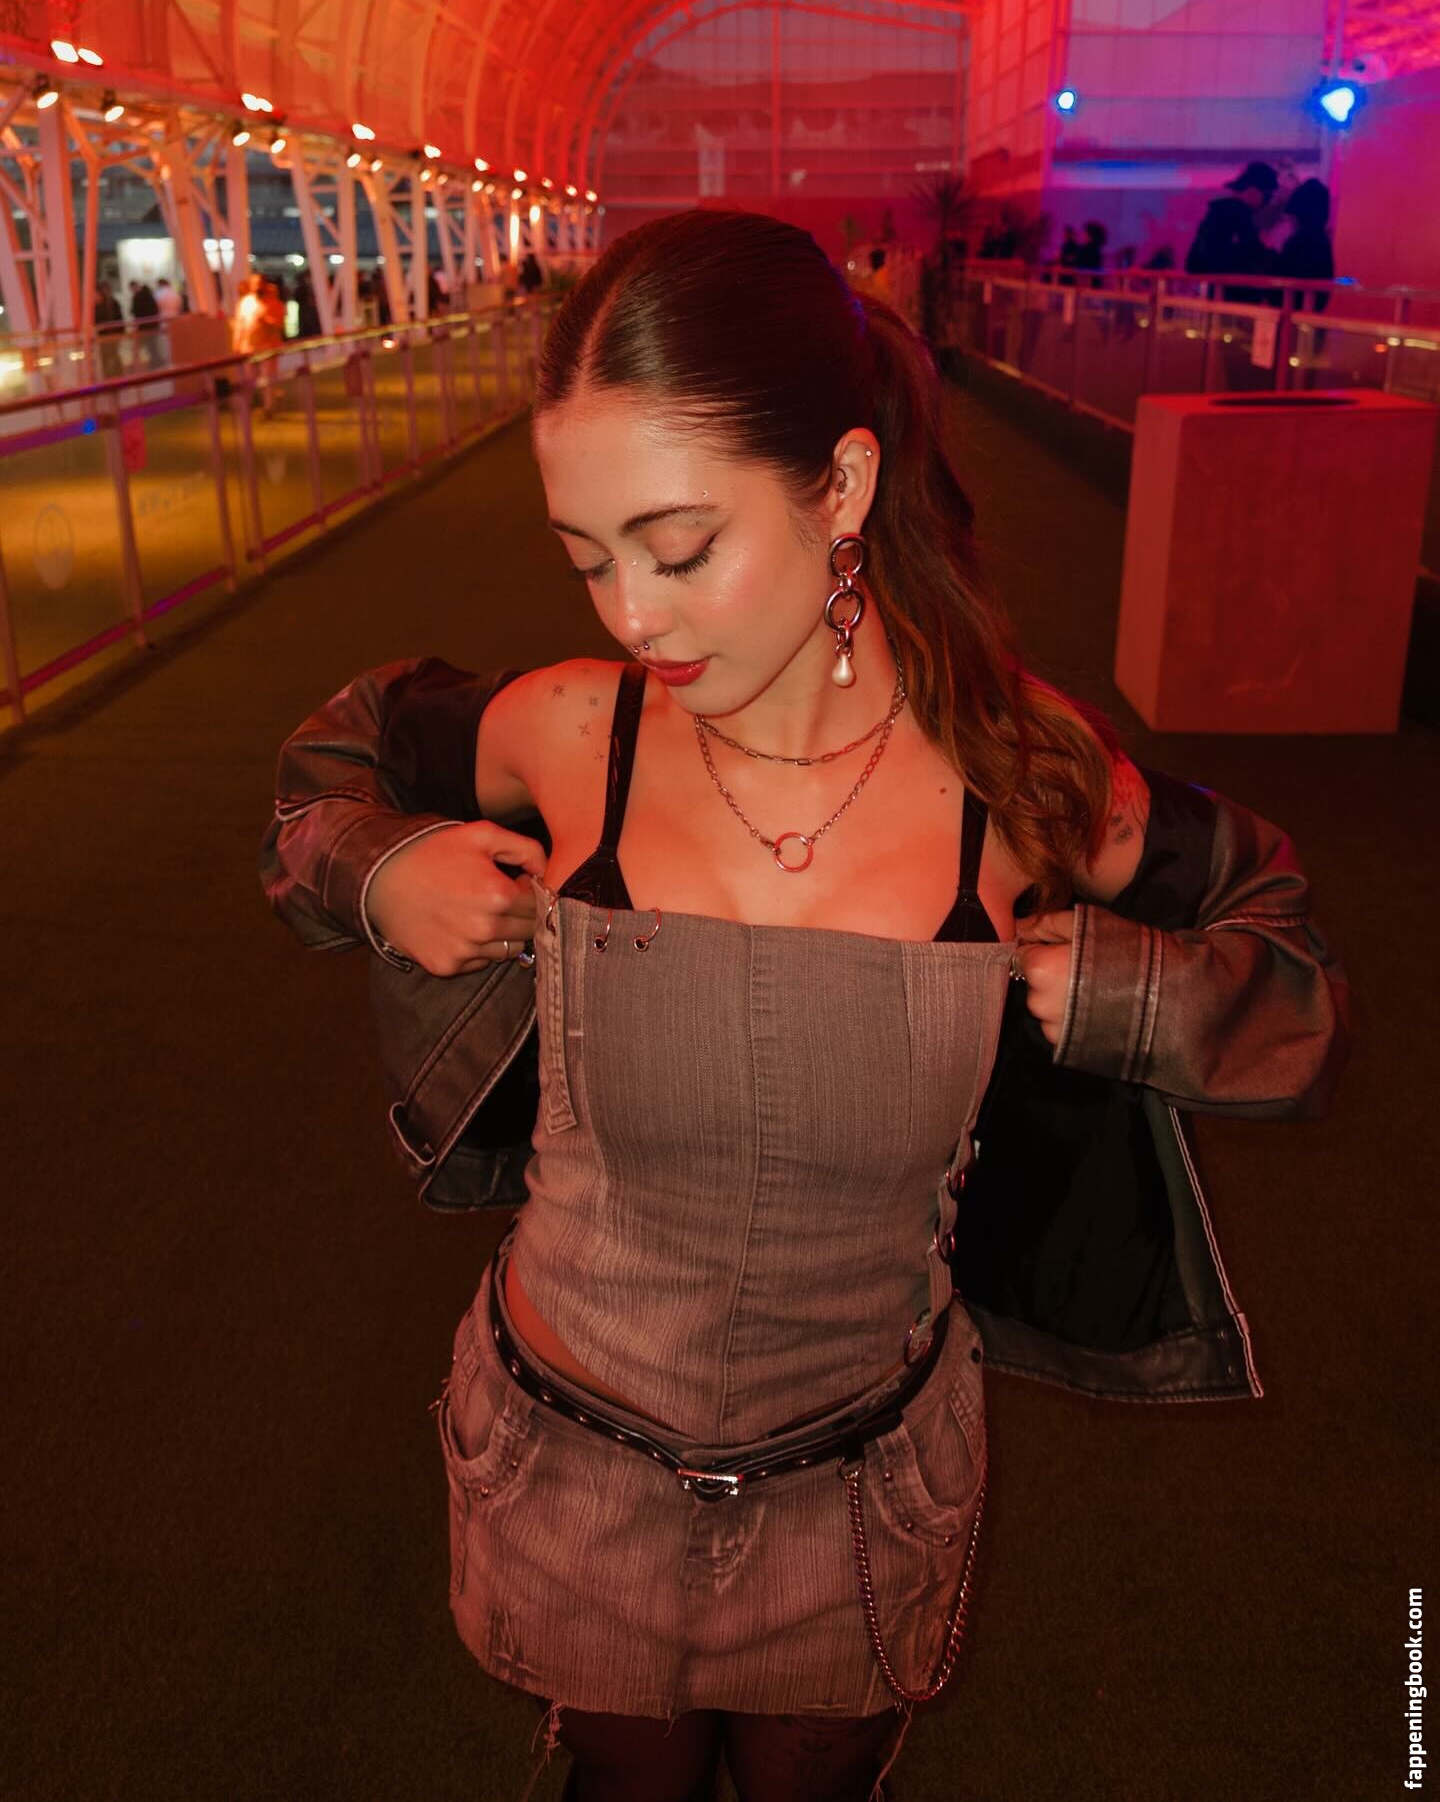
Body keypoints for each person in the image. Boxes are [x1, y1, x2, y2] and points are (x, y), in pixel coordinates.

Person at [258, 210, 1347, 1802]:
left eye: (679, 546)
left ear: (840, 486)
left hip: (858, 1498)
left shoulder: (1013, 767)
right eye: (588, 556)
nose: (633, 615)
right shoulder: (575, 732)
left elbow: (1283, 953)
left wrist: (1128, 991)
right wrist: (378, 867)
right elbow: (322, 773)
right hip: (567, 1471)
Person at [1184, 161, 1278, 299]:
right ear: (1254, 191)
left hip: (1216, 294)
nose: (1268, 202)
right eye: (1268, 196)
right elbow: (1250, 258)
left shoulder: (1217, 213)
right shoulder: (1239, 215)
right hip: (1231, 297)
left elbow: (1195, 262)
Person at [230, 272, 286, 414]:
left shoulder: (274, 303)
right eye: (254, 284)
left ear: (264, 285)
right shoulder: (245, 303)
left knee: (268, 378)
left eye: (259, 284)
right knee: (249, 378)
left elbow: (280, 324)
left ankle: (269, 407)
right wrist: (236, 343)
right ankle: (247, 406)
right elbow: (240, 324)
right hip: (249, 347)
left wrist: (266, 320)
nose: (257, 287)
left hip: (268, 347)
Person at [1278, 178, 1335, 312]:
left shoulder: (1299, 242)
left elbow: (1283, 278)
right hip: (1308, 313)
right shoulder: (1321, 241)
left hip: (1291, 310)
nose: (1290, 220)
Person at [94, 279, 125, 378]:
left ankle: (113, 376)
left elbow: (118, 320)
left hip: (108, 336)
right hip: (107, 336)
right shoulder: (108, 304)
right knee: (110, 356)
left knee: (110, 356)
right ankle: (113, 375)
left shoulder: (107, 304)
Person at [128, 278, 161, 368]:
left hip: (143, 327)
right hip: (153, 325)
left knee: (142, 347)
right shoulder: (149, 296)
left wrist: (136, 325)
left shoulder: (137, 297)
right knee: (152, 346)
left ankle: (138, 365)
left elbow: (135, 312)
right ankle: (156, 363)